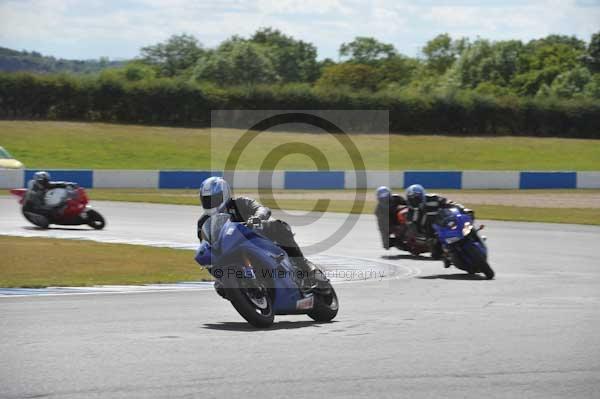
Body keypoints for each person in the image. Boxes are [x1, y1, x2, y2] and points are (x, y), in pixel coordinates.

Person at [196, 176, 327, 291]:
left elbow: (260, 209)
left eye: (214, 198)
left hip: (258, 238)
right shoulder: (203, 223)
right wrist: (219, 275)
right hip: (231, 252)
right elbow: (208, 247)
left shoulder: (240, 203)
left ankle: (304, 266)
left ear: (224, 194)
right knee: (220, 287)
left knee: (279, 226)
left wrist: (257, 217)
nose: (211, 203)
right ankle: (245, 292)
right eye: (207, 200)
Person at [405, 184, 472, 263]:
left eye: (416, 198)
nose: (414, 201)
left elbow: (450, 203)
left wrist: (463, 209)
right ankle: (450, 257)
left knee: (465, 222)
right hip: (433, 234)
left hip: (446, 222)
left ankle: (474, 236)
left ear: (422, 196)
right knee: (436, 255)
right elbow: (413, 230)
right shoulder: (410, 214)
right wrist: (421, 238)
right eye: (411, 199)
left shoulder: (433, 198)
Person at [374, 186, 407, 250]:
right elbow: (381, 227)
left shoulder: (396, 198)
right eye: (382, 196)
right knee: (388, 244)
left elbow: (409, 205)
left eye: (385, 195)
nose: (384, 198)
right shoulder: (378, 210)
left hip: (404, 220)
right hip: (392, 225)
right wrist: (385, 241)